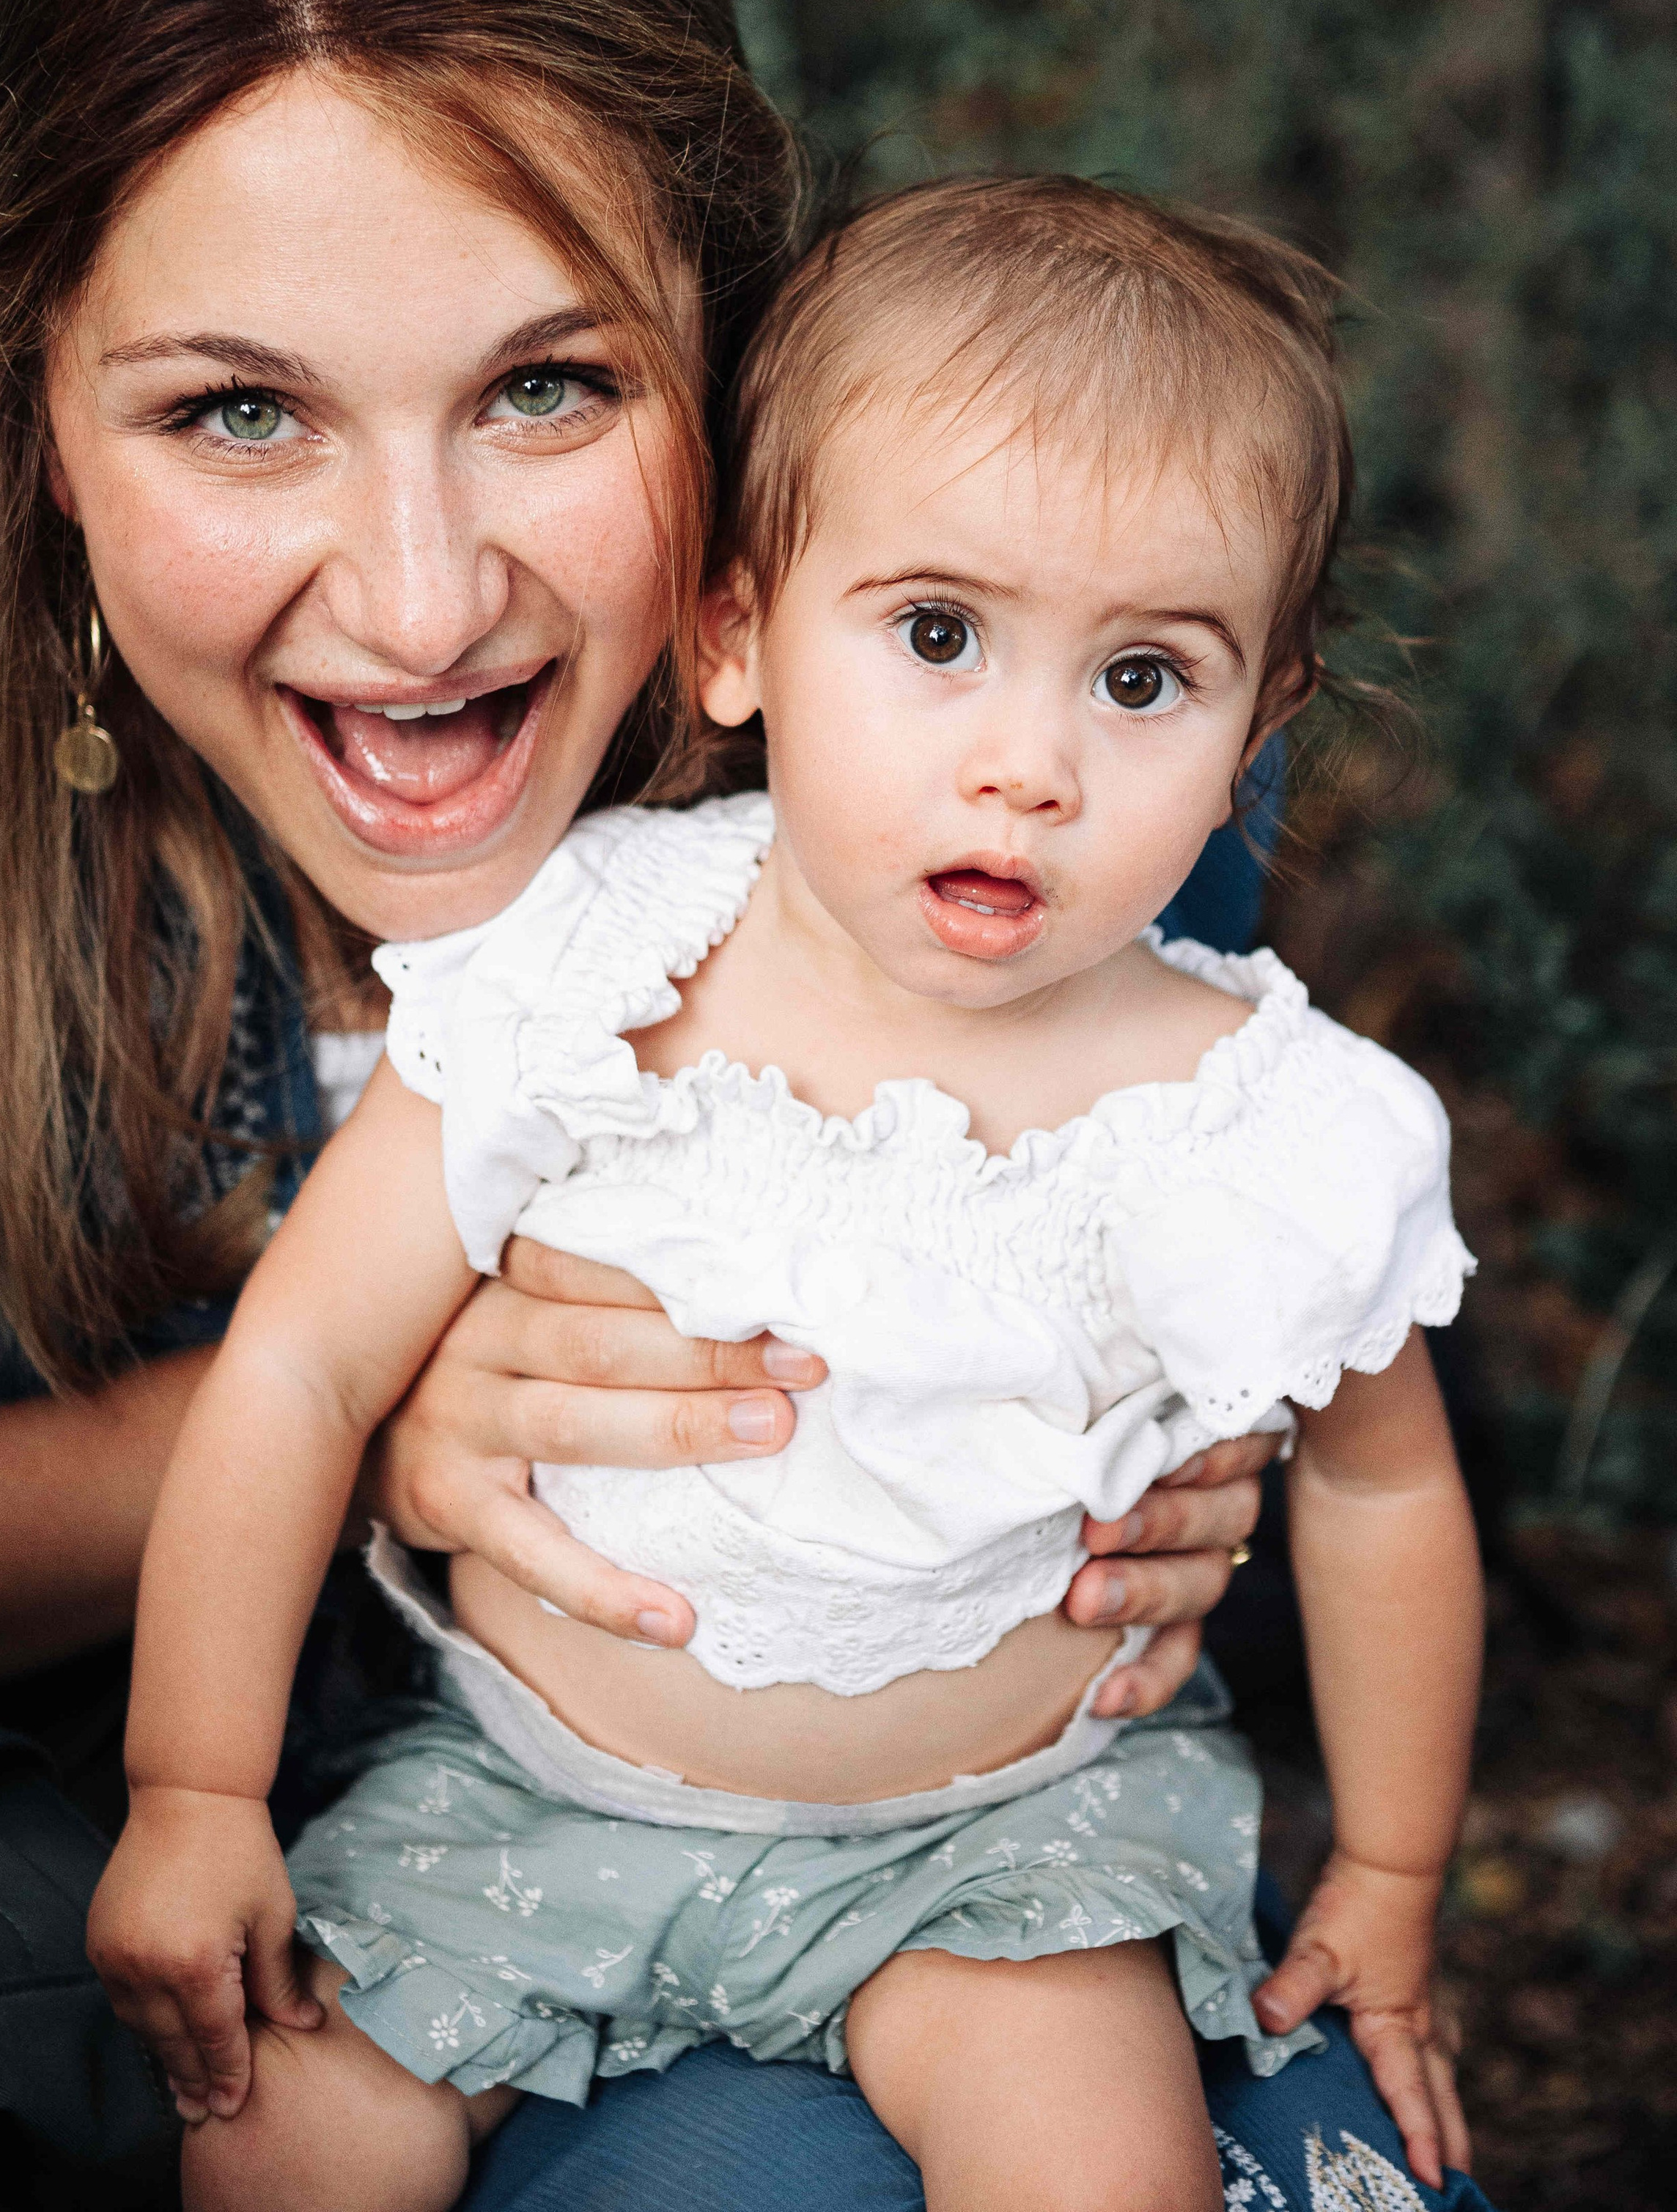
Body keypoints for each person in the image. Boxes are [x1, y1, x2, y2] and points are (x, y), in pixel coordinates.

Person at [0, 0, 1483, 2212]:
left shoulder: (1002, 699)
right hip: (58, 1821)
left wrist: (1174, 1486)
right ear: (16, 407)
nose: (421, 602)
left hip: (860, 1863)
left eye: (555, 386)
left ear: (735, 345)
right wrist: (350, 1409)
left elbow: (1260, 1514)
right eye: (238, 415)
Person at [89, 174, 1485, 2212]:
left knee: (1102, 2168)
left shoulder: (1257, 1116)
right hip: (530, 1800)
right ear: (739, 634)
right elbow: (301, 1369)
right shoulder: (591, 962)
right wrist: (190, 1789)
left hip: (997, 1851)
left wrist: (1391, 1870)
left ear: (1262, 719)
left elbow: (1382, 1487)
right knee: (288, 2148)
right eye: (938, 636)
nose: (1029, 763)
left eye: (1143, 682)